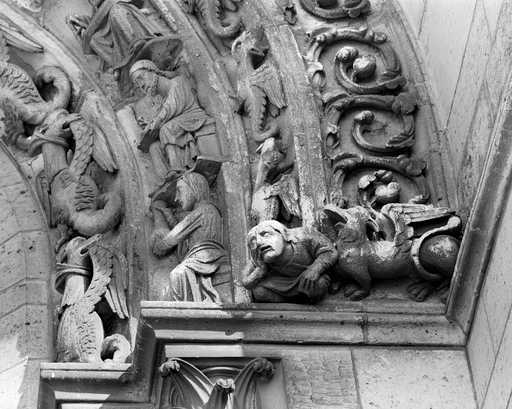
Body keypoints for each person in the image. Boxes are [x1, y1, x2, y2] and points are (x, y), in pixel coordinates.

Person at [129, 59, 215, 175]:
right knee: (154, 147)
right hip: (181, 124)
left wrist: (154, 124)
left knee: (167, 129)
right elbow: (164, 112)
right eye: (137, 85)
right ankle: (167, 178)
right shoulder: (162, 99)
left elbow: (170, 108)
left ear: (153, 71)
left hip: (194, 117)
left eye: (141, 78)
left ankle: (178, 169)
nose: (142, 85)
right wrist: (149, 125)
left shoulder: (178, 82)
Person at [151, 172, 226, 302]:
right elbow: (187, 232)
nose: (176, 198)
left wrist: (159, 244)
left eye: (179, 190)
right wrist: (169, 217)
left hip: (206, 258)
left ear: (194, 188)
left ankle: (184, 309)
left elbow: (171, 239)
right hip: (201, 258)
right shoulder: (206, 211)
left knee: (177, 274)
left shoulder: (204, 210)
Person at [242, 220, 338, 303]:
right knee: (259, 291)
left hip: (311, 278)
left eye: (266, 234)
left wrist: (314, 270)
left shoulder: (303, 235)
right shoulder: (259, 256)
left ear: (282, 233)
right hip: (285, 283)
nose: (258, 242)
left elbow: (330, 251)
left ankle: (307, 299)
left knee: (319, 284)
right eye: (253, 241)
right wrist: (261, 270)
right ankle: (294, 303)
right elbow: (246, 282)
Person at [70, 0, 161, 79]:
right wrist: (81, 21)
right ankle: (117, 65)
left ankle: (134, 42)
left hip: (119, 9)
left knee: (115, 13)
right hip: (107, 27)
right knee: (94, 40)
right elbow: (95, 22)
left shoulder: (109, 4)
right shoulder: (98, 9)